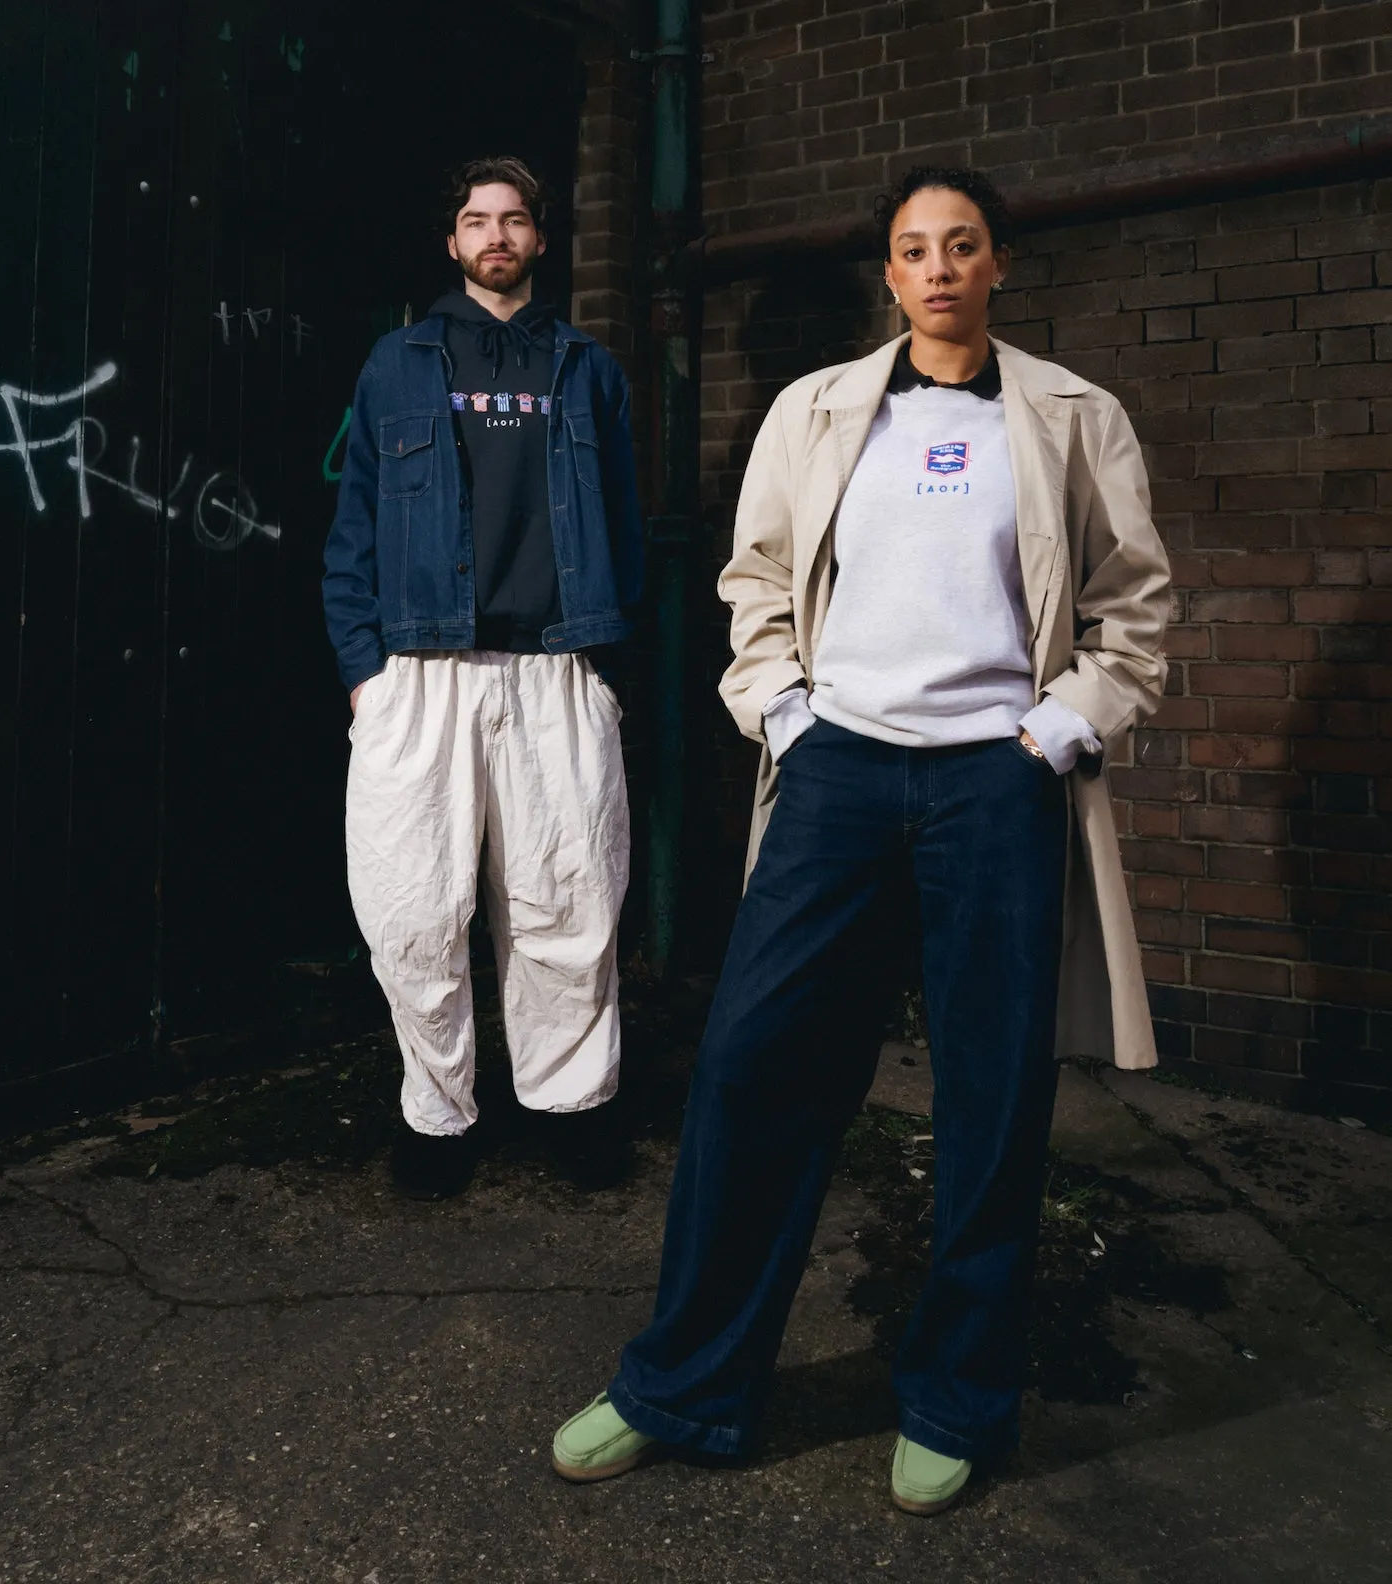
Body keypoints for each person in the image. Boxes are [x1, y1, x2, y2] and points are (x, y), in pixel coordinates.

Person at [551, 165, 1170, 1512]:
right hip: (838, 780)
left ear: (1000, 263)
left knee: (989, 1102)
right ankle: (680, 1383)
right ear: (884, 278)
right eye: (910, 249)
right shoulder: (816, 409)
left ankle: (955, 1399)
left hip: (995, 790)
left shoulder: (1073, 417)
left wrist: (1059, 732)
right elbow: (755, 578)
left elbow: (1134, 606)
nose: (936, 267)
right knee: (751, 1071)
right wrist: (784, 714)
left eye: (961, 245)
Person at [323, 156, 643, 1199]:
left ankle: (569, 1105)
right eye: (475, 221)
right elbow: (353, 529)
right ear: (451, 241)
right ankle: (437, 1115)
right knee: (413, 908)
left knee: (568, 901)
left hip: (553, 666)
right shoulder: (396, 364)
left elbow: (626, 525)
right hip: (419, 672)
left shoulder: (586, 367)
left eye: (513, 221)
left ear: (539, 242)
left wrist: (605, 661)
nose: (494, 236)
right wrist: (365, 674)